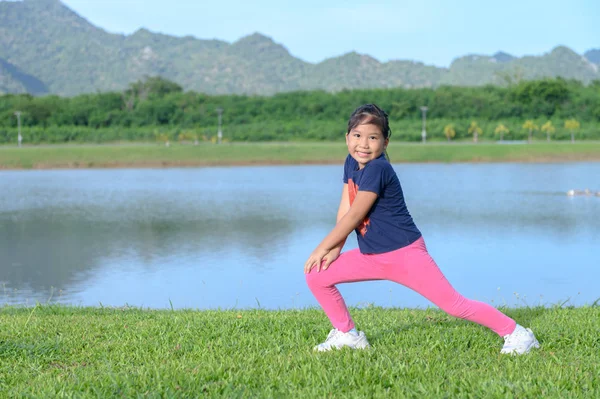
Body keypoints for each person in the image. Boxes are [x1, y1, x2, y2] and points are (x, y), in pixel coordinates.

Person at [304, 104, 540, 355]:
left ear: (385, 143)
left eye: (373, 137)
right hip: (370, 256)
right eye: (357, 136)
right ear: (347, 138)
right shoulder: (352, 163)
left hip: (404, 255)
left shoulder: (378, 168)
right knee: (317, 274)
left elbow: (355, 216)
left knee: (454, 305)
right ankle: (347, 334)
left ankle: (517, 333)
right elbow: (345, 208)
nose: (363, 144)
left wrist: (320, 247)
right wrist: (334, 250)